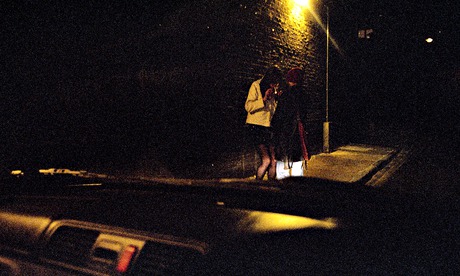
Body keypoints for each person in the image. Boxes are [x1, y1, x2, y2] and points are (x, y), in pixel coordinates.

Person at [245, 66, 283, 180]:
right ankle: (257, 187)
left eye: (275, 83)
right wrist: (264, 98)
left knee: (274, 161)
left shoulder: (272, 90)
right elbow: (248, 106)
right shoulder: (256, 85)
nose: (274, 85)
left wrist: (276, 99)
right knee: (266, 160)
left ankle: (271, 188)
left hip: (268, 128)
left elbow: (272, 112)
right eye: (272, 83)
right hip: (257, 127)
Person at [271, 67, 308, 170]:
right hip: (298, 133)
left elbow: (279, 116)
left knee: (282, 168)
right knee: (297, 166)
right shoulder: (304, 95)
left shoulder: (286, 94)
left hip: (285, 133)